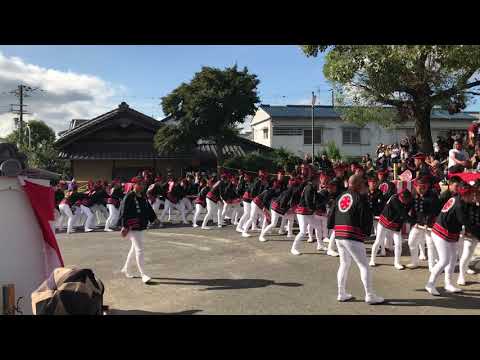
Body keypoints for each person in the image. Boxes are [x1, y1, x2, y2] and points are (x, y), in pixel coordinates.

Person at [329, 174, 384, 304]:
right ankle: (369, 295)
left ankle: (341, 293)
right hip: (352, 235)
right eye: (363, 184)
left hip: (339, 234)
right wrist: (365, 233)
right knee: (363, 265)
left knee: (344, 264)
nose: (364, 186)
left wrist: (332, 227)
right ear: (358, 184)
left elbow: (331, 214)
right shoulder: (360, 198)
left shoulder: (340, 196)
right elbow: (366, 217)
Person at [425, 182, 476, 295]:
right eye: (470, 195)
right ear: (463, 195)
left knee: (453, 259)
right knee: (444, 260)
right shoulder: (459, 205)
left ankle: (448, 283)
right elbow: (466, 223)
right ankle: (430, 284)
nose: (472, 196)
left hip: (451, 232)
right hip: (440, 232)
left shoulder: (459, 200)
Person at [119, 177, 159, 284]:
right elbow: (123, 211)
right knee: (139, 249)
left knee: (134, 249)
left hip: (141, 225)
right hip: (133, 226)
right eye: (140, 184)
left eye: (143, 184)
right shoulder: (129, 196)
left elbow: (148, 208)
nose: (142, 186)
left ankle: (126, 269)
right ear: (134, 184)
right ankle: (143, 274)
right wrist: (124, 226)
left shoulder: (143, 196)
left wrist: (154, 218)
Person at [369, 189, 413, 270]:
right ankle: (372, 259)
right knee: (378, 241)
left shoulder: (410, 202)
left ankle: (397, 262)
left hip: (396, 225)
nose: (403, 200)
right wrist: (413, 222)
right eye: (402, 198)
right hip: (384, 222)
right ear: (399, 196)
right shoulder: (394, 199)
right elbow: (402, 213)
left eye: (406, 199)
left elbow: (406, 214)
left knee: (398, 244)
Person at [406, 176, 440, 270]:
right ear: (415, 186)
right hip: (417, 224)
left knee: (430, 245)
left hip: (430, 225)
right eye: (419, 187)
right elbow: (409, 210)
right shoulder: (413, 195)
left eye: (424, 187)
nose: (421, 190)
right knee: (411, 242)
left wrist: (428, 223)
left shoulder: (433, 196)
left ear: (427, 186)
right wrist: (412, 221)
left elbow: (435, 212)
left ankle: (432, 266)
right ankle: (414, 261)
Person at [290, 174, 319, 255]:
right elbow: (308, 201)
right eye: (318, 180)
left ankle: (320, 245)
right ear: (314, 180)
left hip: (308, 212)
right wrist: (315, 209)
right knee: (302, 231)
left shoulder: (312, 187)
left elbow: (316, 198)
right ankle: (293, 248)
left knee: (318, 227)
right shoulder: (309, 188)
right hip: (302, 212)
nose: (319, 181)